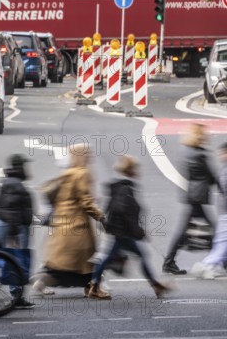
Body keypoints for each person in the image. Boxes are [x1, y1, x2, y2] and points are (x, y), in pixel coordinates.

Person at [88, 155, 169, 299]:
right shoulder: (126, 188)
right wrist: (137, 231)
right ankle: (94, 286)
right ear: (131, 170)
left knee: (111, 257)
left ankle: (156, 285)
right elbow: (123, 211)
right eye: (136, 168)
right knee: (117, 257)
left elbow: (112, 208)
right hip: (123, 233)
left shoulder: (120, 186)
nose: (138, 171)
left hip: (119, 231)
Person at [32, 143, 106, 294]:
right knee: (81, 258)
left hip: (63, 221)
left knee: (66, 259)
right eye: (86, 153)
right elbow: (85, 200)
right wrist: (101, 216)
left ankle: (45, 279)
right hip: (77, 224)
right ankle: (91, 286)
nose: (89, 156)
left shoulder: (69, 172)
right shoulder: (82, 173)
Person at [163, 123, 221, 275]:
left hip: (192, 194)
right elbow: (211, 175)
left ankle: (169, 262)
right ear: (199, 136)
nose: (206, 137)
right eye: (203, 134)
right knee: (215, 229)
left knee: (184, 231)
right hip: (199, 196)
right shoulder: (200, 154)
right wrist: (222, 187)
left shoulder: (185, 151)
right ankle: (220, 260)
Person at [0, 154, 34, 307]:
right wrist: (14, 233)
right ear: (20, 167)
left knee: (12, 259)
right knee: (17, 260)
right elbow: (13, 209)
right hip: (17, 228)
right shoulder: (15, 184)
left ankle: (15, 291)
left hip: (13, 226)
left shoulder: (9, 182)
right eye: (25, 166)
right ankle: (16, 294)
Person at [192, 143, 227, 279]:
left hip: (223, 210)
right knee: (222, 241)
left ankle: (214, 265)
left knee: (222, 240)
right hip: (225, 211)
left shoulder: (224, 169)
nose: (220, 156)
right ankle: (208, 264)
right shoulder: (225, 170)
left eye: (223, 153)